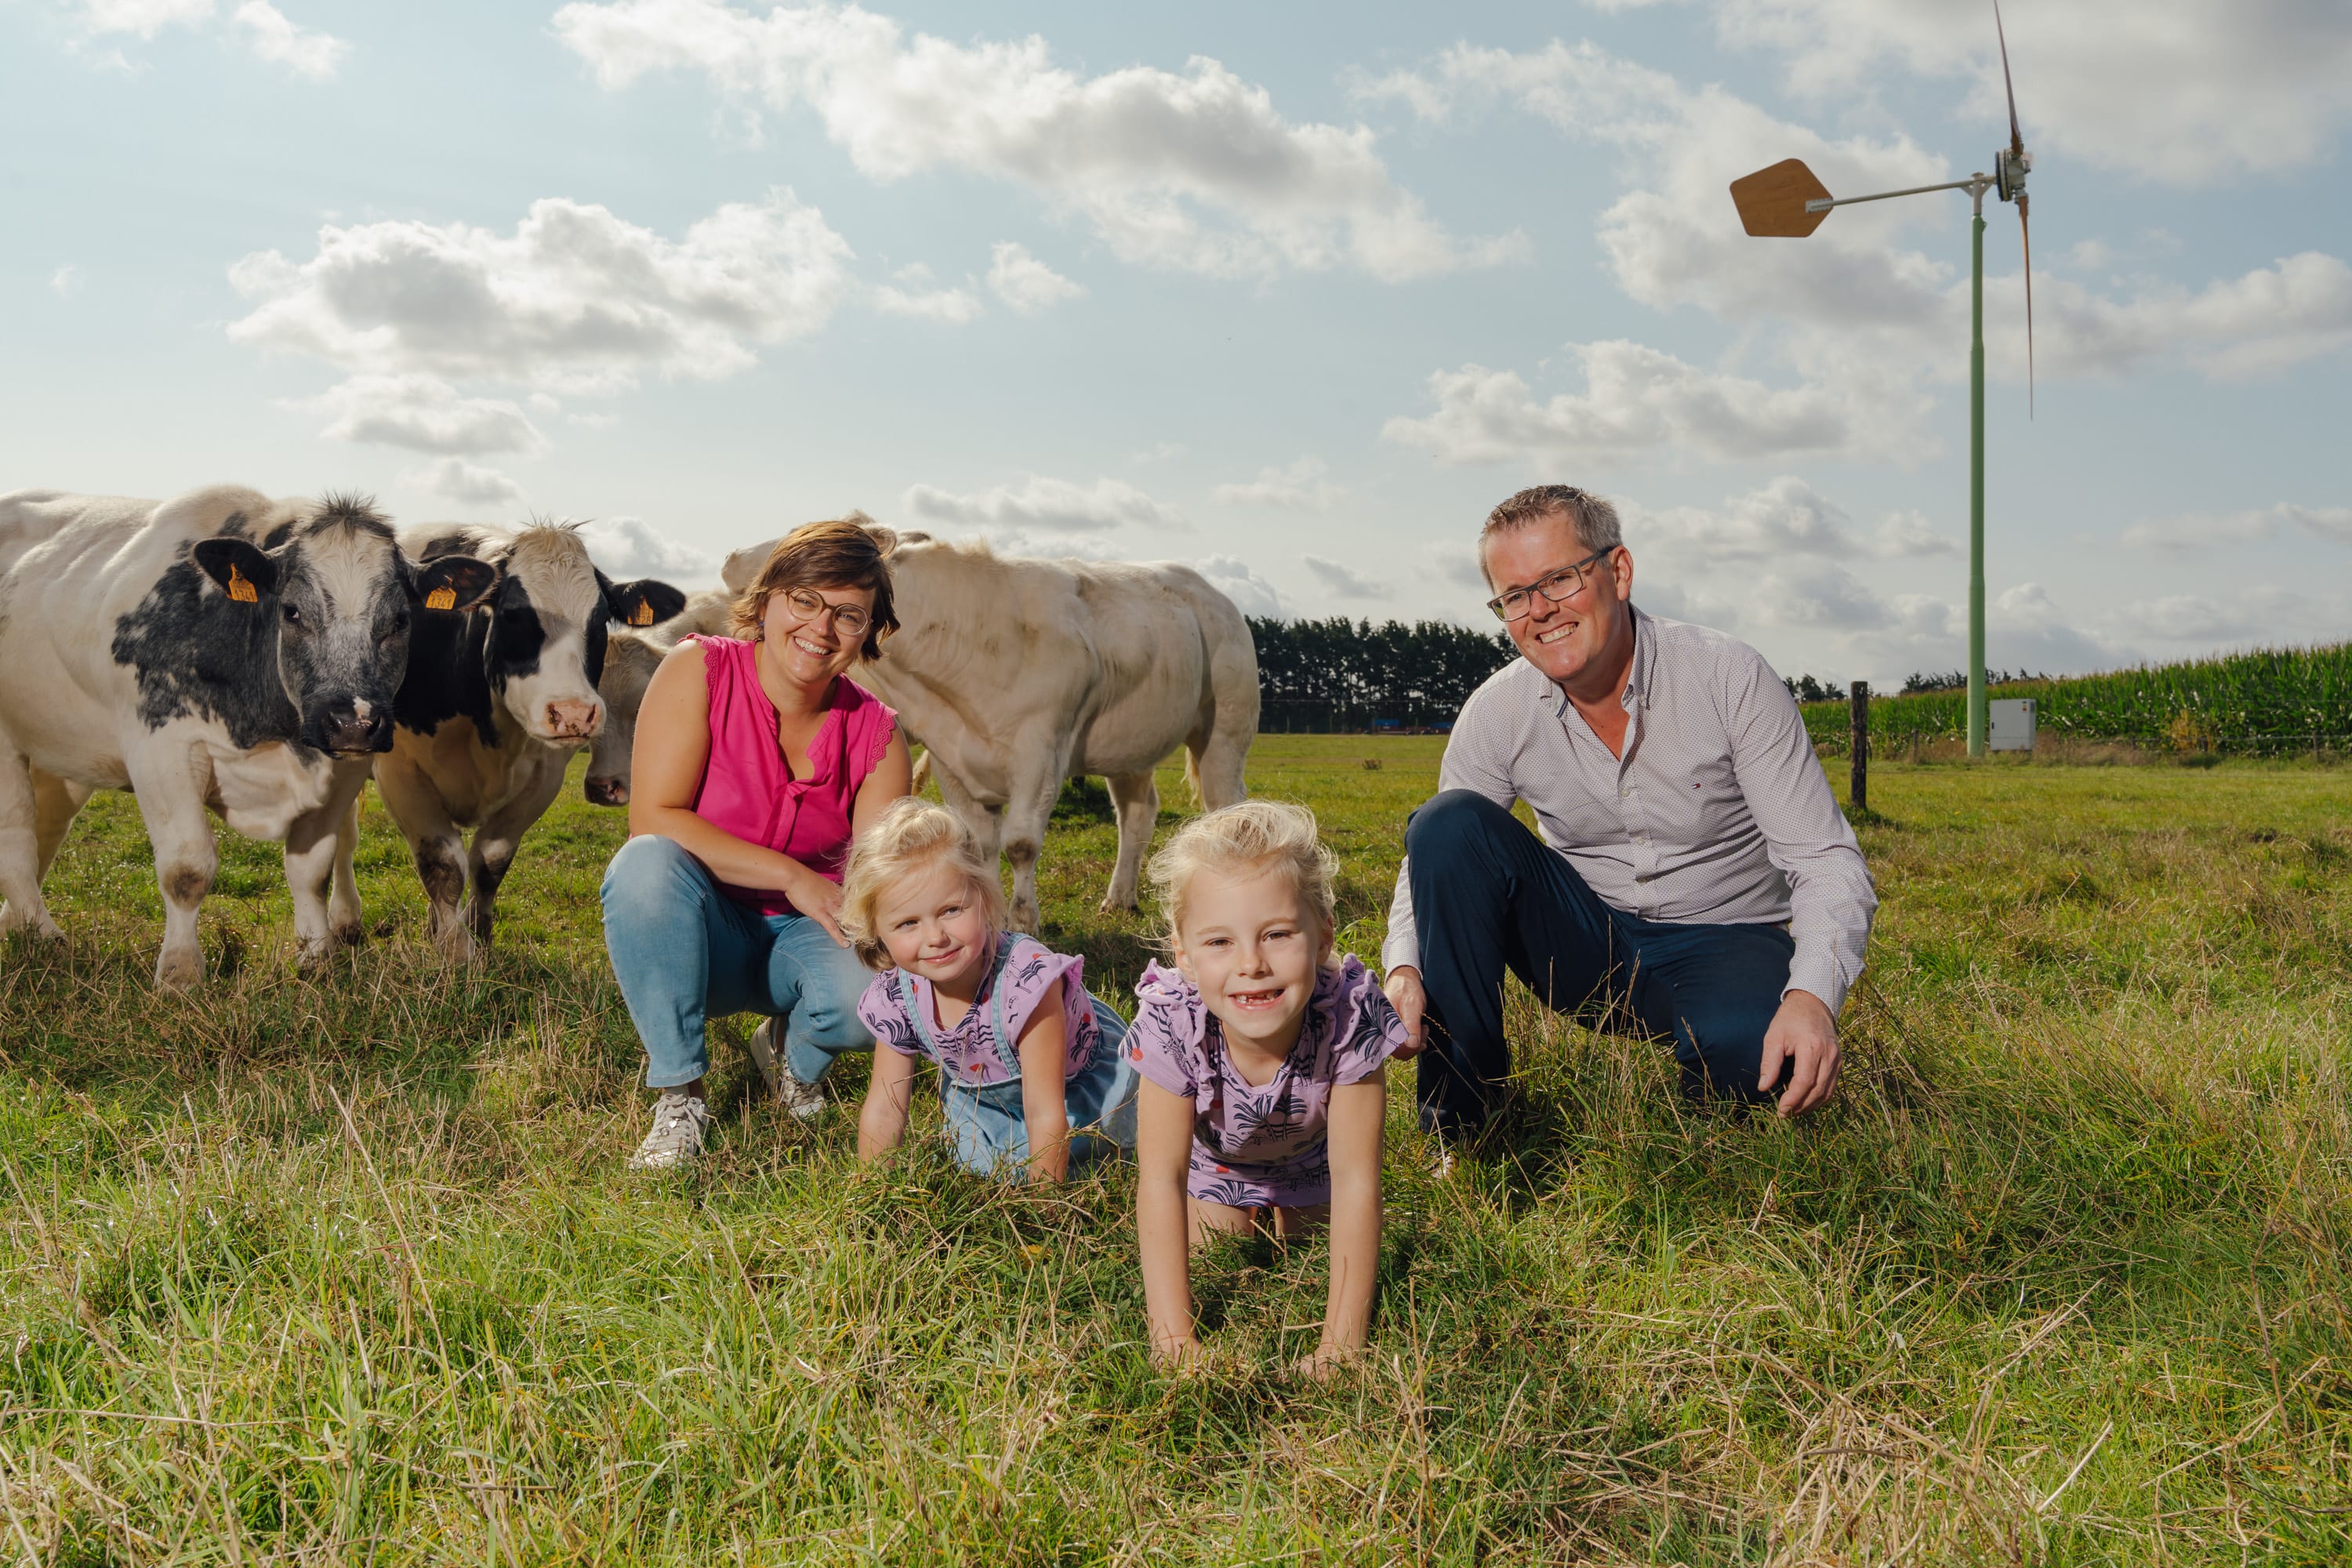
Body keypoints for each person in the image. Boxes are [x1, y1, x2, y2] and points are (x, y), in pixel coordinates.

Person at [1381, 485, 1877, 1141]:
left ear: (1617, 571)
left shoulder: (1728, 676)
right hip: (1589, 944)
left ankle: (1716, 1087)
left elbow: (1824, 857)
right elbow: (1437, 864)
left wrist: (1811, 997)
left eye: (1560, 579)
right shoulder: (1497, 710)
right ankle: (1463, 1125)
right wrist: (1405, 968)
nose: (1541, 611)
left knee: (1752, 1073)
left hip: (1728, 936)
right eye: (1516, 596)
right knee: (1447, 821)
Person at [601, 517, 914, 1170]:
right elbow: (653, 815)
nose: (821, 629)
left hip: (804, 936)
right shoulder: (699, 670)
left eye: (849, 615)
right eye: (805, 600)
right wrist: (792, 875)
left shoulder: (879, 734)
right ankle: (680, 1096)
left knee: (873, 994)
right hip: (694, 933)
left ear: (869, 634)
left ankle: (793, 1060)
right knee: (644, 865)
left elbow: (878, 885)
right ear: (768, 599)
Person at [1131, 800, 1406, 1379]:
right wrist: (1172, 1337)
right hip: (1219, 1167)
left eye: (1277, 934)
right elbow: (1160, 1178)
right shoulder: (1172, 1023)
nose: (1251, 964)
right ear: (1182, 953)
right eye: (1219, 943)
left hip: (1315, 1165)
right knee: (1222, 1256)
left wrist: (1341, 1346)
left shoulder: (1350, 1015)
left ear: (1323, 936)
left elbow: (1359, 1179)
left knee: (1307, 1252)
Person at [841, 797, 1138, 1181]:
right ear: (877, 932)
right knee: (980, 1167)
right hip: (985, 1103)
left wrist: (1043, 1211)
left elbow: (1045, 1111)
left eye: (951, 910)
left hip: (1071, 1093)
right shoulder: (897, 996)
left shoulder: (1026, 983)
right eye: (908, 923)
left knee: (1102, 1157)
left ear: (983, 896)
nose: (936, 937)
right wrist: (873, 1191)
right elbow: (885, 1106)